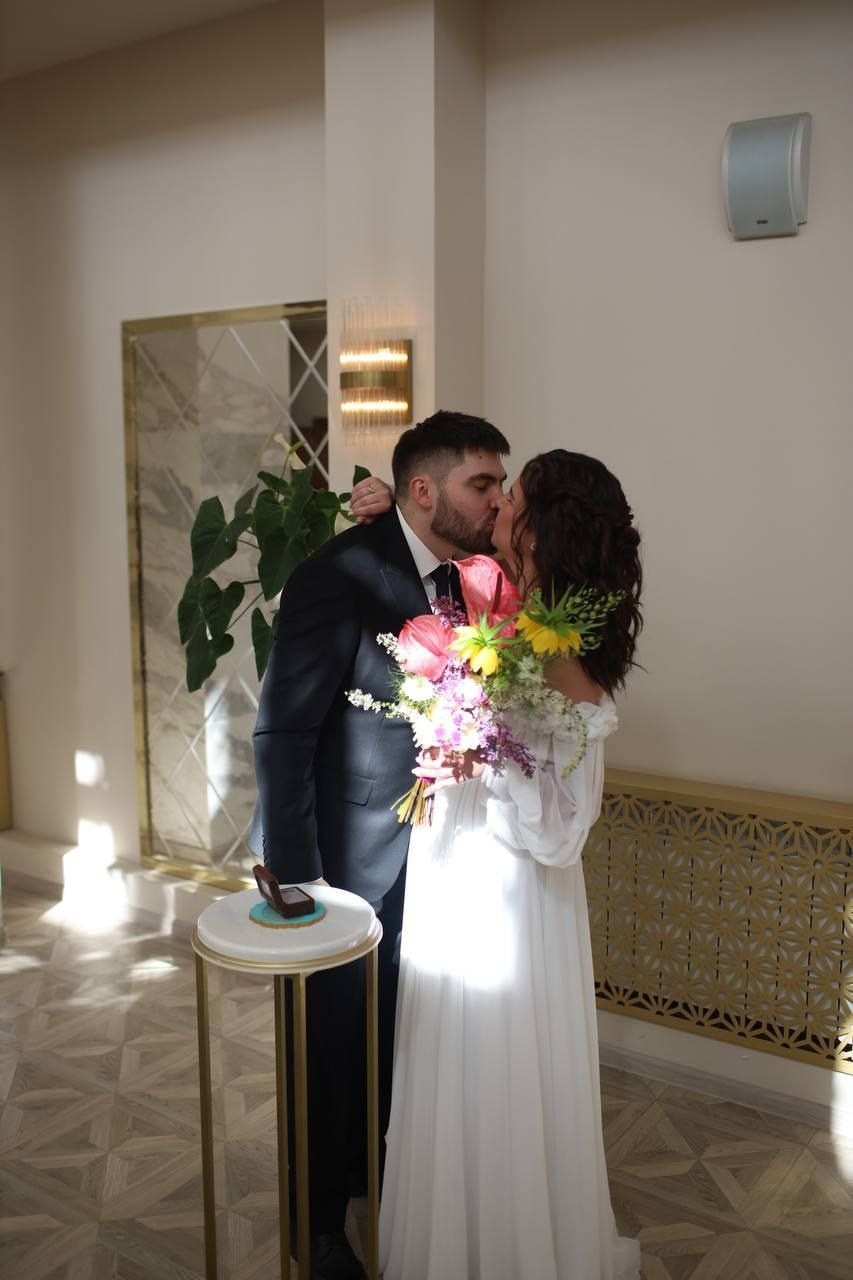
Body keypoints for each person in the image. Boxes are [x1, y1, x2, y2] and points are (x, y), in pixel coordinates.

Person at [249, 410, 510, 1280]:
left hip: (450, 860)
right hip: (354, 863)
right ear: (423, 490)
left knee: (402, 1040)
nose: (496, 500)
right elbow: (284, 732)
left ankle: (387, 1185)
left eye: (500, 484)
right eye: (482, 483)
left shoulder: (480, 576)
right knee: (329, 1051)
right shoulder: (337, 575)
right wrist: (301, 884)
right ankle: (317, 1228)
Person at [378, 449, 644, 1280]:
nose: (496, 507)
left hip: (510, 898)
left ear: (537, 527)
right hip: (455, 870)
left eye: (512, 496)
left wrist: (477, 754)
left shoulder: (563, 653)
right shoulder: (502, 604)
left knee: (496, 1072)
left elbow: (561, 829)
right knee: (449, 1066)